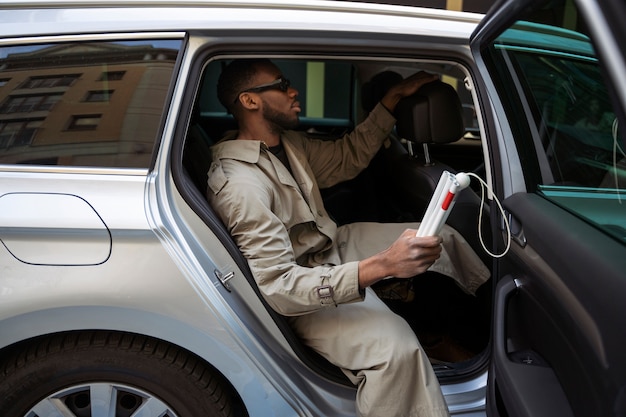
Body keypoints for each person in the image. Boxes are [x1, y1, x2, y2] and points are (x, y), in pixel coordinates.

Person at [207, 58, 490, 417]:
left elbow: (346, 157)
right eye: (281, 84)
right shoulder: (240, 186)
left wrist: (389, 102)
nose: (294, 90)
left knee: (440, 238)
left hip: (330, 246)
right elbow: (280, 287)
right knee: (396, 350)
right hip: (303, 288)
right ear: (250, 101)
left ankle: (493, 326)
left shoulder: (288, 145)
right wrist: (382, 266)